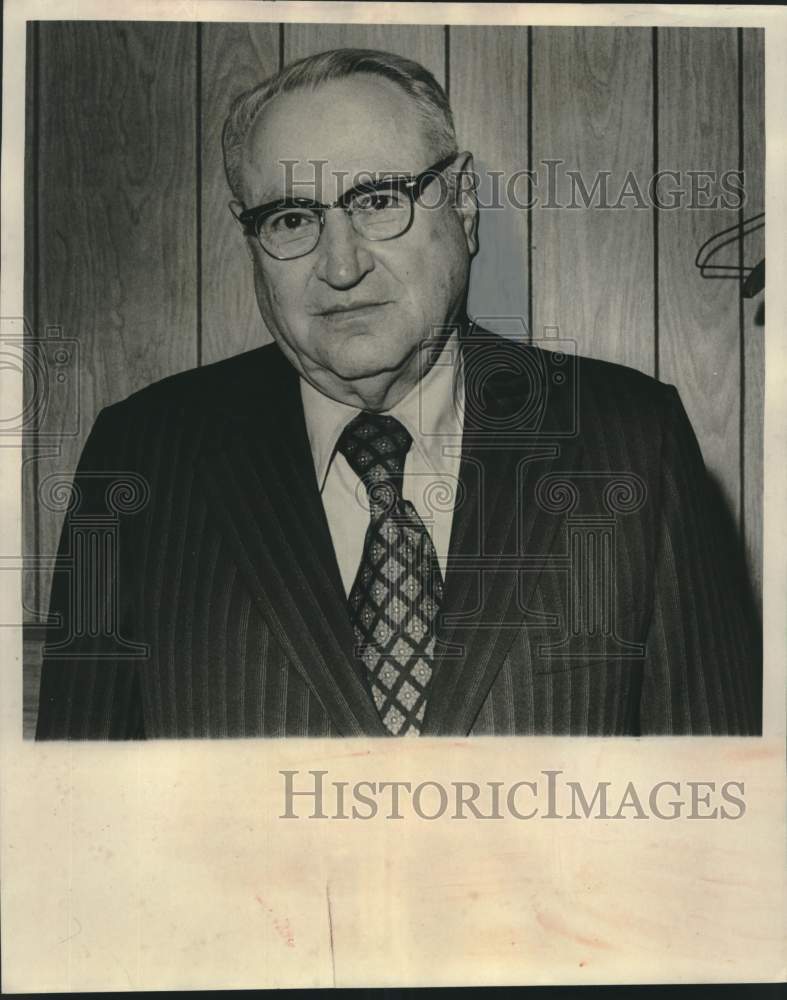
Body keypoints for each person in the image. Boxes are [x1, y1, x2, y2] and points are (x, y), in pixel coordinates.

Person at [35, 48, 760, 739]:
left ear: (464, 202)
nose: (341, 265)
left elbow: (716, 809)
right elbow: (80, 817)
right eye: (292, 219)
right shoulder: (142, 454)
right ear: (250, 239)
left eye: (378, 200)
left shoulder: (632, 440)